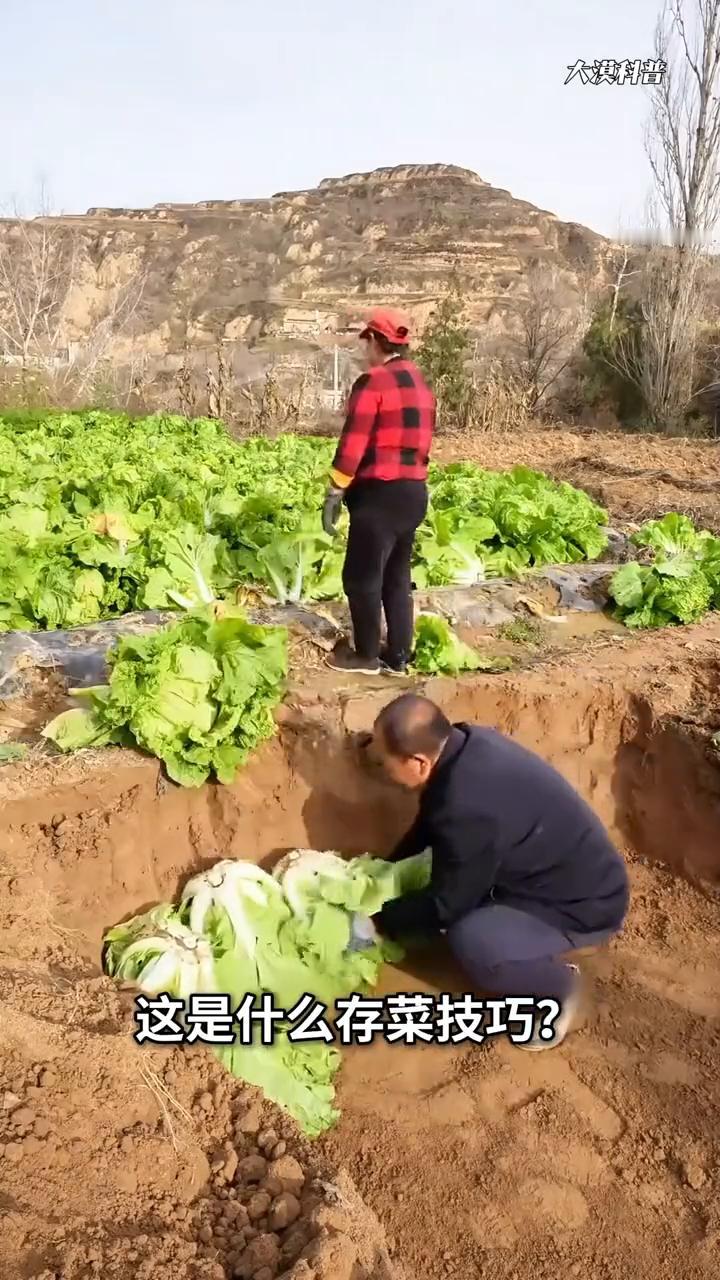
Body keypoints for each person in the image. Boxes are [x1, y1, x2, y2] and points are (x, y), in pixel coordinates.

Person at [366, 693, 630, 1050]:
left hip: (584, 904)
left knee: (473, 940)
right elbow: (431, 823)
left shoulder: (465, 808)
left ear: (418, 763)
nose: (379, 764)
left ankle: (557, 987)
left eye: (384, 761)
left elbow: (448, 904)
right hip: (560, 872)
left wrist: (379, 922)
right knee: (459, 891)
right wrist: (386, 867)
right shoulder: (465, 746)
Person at [322, 308, 436, 676]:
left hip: (379, 494)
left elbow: (353, 443)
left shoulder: (372, 383)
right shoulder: (419, 383)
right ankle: (399, 654)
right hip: (413, 491)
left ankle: (366, 655)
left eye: (365, 342)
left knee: (361, 576)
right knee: (397, 577)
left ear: (374, 340)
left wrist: (335, 490)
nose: (363, 350)